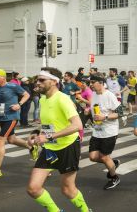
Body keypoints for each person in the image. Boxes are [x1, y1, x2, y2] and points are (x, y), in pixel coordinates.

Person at [27, 67, 90, 212]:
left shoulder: (63, 99)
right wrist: (37, 134)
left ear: (54, 82)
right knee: (33, 188)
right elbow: (49, 124)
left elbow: (78, 125)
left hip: (68, 146)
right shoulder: (43, 99)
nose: (38, 82)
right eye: (37, 79)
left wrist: (47, 137)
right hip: (50, 148)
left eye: (42, 80)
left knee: (68, 190)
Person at [0, 68, 37, 180]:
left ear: (2, 77)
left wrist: (19, 104)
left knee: (0, 140)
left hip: (12, 116)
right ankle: (32, 147)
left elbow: (27, 95)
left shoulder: (13, 86)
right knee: (12, 139)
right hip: (2, 116)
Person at [87, 73, 123, 190]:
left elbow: (120, 112)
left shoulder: (109, 95)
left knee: (103, 157)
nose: (90, 85)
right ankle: (113, 163)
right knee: (92, 157)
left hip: (109, 131)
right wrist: (88, 109)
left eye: (93, 82)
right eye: (90, 82)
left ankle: (114, 177)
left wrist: (105, 117)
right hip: (97, 131)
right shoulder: (93, 94)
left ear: (101, 83)